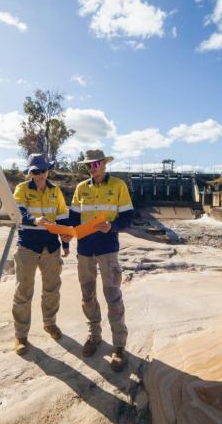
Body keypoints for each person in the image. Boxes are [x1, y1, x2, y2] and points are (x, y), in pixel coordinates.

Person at [69, 149, 134, 372]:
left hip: (108, 250)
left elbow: (127, 217)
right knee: (87, 295)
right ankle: (94, 335)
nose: (93, 167)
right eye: (90, 164)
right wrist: (66, 233)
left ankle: (119, 346)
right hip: (85, 249)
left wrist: (112, 226)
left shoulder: (118, 186)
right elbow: (73, 218)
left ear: (105, 164)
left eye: (97, 163)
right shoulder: (81, 188)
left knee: (113, 297)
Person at [12, 154, 71, 355]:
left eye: (42, 171)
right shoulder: (21, 189)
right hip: (27, 247)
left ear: (48, 171)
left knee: (52, 289)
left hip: (51, 247)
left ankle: (50, 323)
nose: (39, 175)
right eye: (35, 171)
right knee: (23, 291)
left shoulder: (56, 191)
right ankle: (21, 335)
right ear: (30, 173)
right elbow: (18, 211)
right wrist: (34, 220)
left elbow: (63, 218)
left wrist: (65, 244)